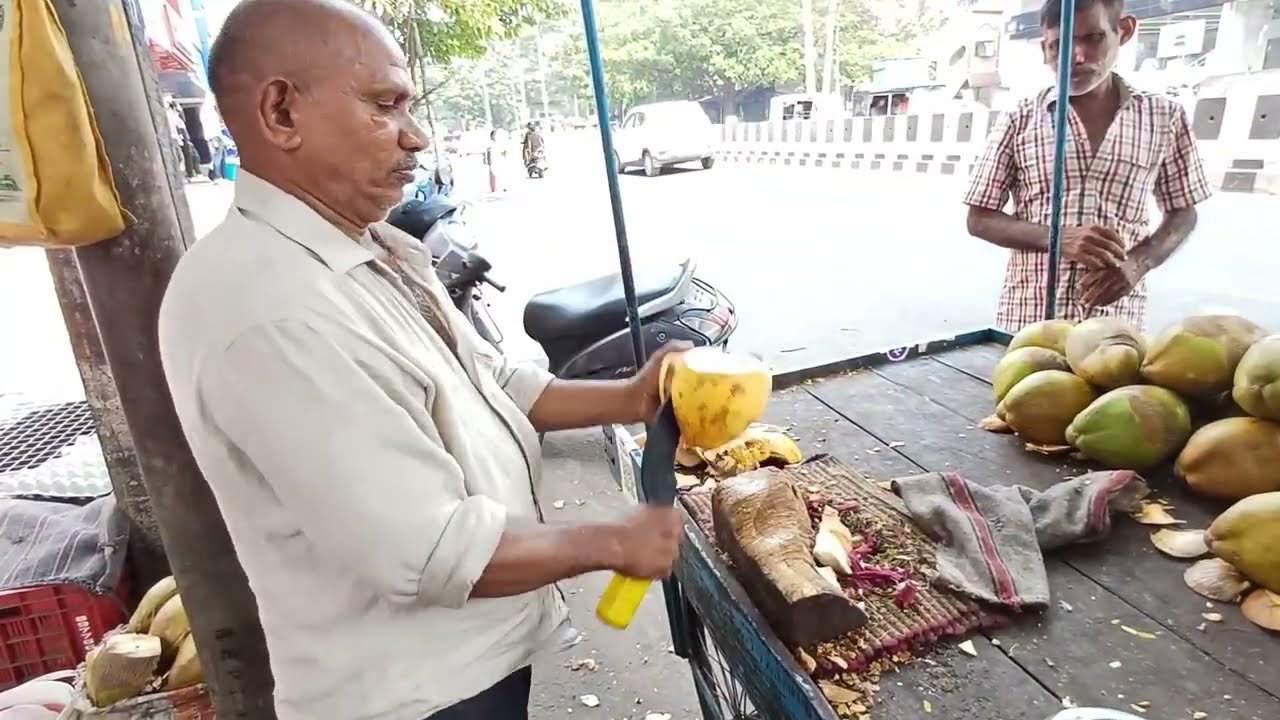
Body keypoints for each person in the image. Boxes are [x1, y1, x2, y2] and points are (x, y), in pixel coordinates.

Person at [157, 2, 685, 719]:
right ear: (282, 112)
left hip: (472, 661)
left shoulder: (377, 249)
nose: (417, 135)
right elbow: (430, 550)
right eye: (385, 105)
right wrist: (611, 540)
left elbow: (486, 383)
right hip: (410, 697)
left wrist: (631, 396)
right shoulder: (267, 307)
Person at [963, 0, 1210, 333]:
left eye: (1093, 38)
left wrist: (1137, 264)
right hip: (1030, 322)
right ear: (1045, 48)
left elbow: (1183, 212)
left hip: (1116, 327)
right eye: (1060, 45)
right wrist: (1058, 238)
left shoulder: (1164, 117)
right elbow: (979, 219)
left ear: (1123, 31)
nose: (1076, 57)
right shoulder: (1019, 118)